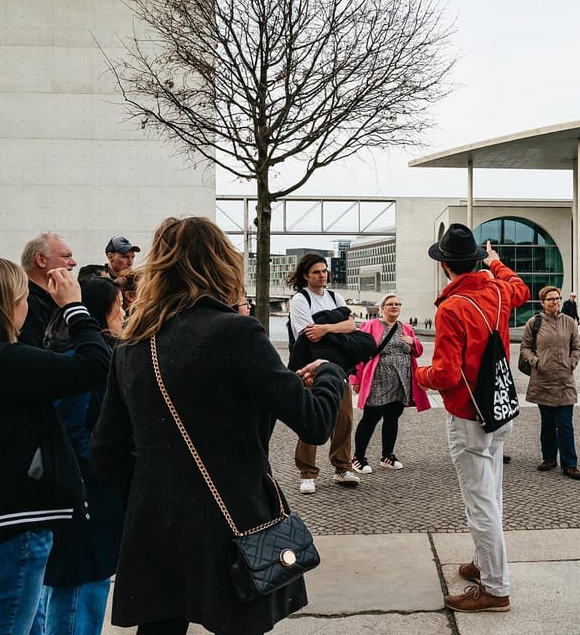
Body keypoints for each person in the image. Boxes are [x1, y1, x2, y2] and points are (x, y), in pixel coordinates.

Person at [90, 217, 345, 635]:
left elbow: (106, 450)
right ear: (221, 265)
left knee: (160, 626)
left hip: (156, 520)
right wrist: (332, 373)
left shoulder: (135, 342)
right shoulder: (235, 331)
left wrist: (151, 491)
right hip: (233, 515)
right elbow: (315, 423)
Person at [0, 259, 110, 635]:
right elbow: (94, 363)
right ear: (8, 305)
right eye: (24, 298)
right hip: (13, 527)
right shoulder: (7, 363)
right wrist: (75, 306)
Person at [415, 223, 529, 613]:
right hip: (499, 407)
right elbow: (522, 288)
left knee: (480, 503)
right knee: (491, 492)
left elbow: (445, 374)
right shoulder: (497, 290)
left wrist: (417, 374)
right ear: (476, 260)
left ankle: (496, 588)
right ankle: (482, 564)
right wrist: (497, 264)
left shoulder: (452, 308)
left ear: (446, 265)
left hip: (469, 414)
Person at [32, 278, 126, 635]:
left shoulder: (62, 352)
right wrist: (104, 474)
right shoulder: (85, 361)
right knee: (82, 588)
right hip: (87, 495)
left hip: (80, 490)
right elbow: (73, 431)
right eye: (118, 306)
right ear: (100, 312)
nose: (123, 312)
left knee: (64, 587)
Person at [285, 253, 361, 493]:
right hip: (309, 367)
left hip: (338, 366)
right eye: (317, 271)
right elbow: (308, 333)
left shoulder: (335, 296)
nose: (322, 275)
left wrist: (327, 328)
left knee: (344, 417)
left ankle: (342, 466)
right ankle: (307, 472)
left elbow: (352, 326)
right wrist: (338, 330)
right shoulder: (300, 299)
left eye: (324, 270)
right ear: (306, 275)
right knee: (311, 418)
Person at [349, 293, 430, 473]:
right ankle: (358, 457)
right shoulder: (370, 326)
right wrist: (356, 379)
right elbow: (358, 353)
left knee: (393, 418)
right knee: (371, 418)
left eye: (397, 304)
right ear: (382, 308)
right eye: (390, 304)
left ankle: (387, 455)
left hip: (401, 380)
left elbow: (417, 352)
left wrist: (413, 342)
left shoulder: (406, 328)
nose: (394, 307)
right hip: (378, 380)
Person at [520, 286, 580, 480]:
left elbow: (576, 347)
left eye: (557, 298)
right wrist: (536, 362)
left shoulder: (569, 322)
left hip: (564, 379)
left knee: (565, 423)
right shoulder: (534, 323)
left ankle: (570, 464)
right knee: (547, 423)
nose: (555, 302)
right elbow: (525, 347)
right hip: (543, 380)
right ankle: (549, 458)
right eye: (550, 299)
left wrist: (571, 363)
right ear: (542, 303)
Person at [19, 233, 78, 347]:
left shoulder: (52, 298)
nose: (73, 263)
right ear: (41, 259)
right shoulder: (23, 301)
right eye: (66, 256)